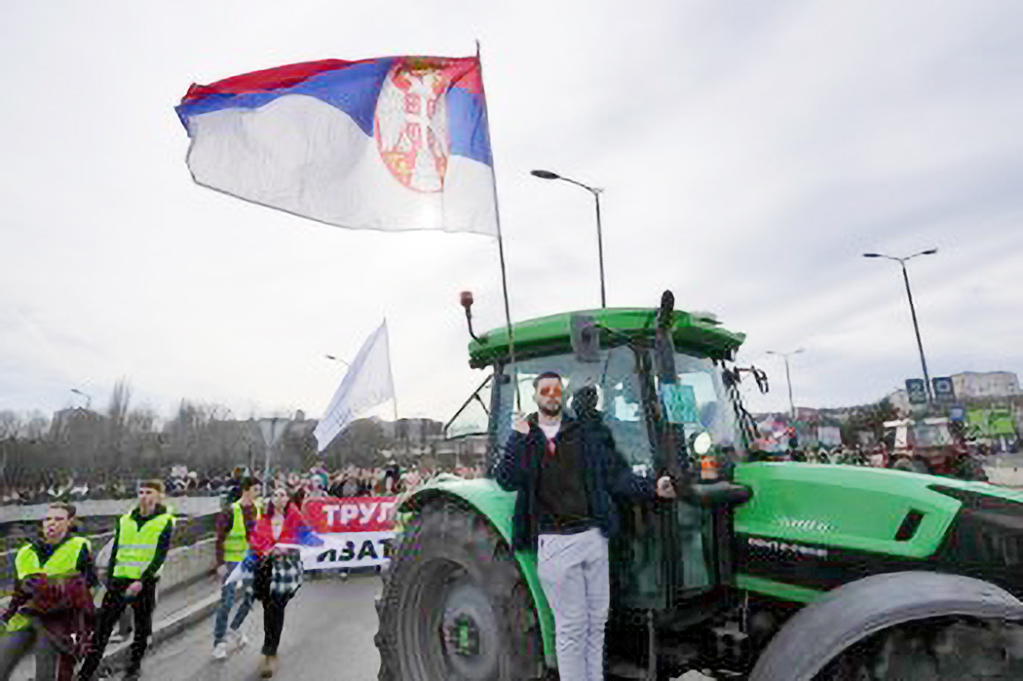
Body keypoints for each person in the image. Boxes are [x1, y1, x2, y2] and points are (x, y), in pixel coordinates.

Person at [495, 373, 676, 681]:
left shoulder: (583, 434)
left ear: (562, 395)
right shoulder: (528, 437)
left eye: (556, 390)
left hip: (593, 538)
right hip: (555, 542)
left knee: (596, 623)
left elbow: (614, 476)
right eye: (545, 390)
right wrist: (517, 435)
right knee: (571, 627)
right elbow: (506, 479)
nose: (551, 395)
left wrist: (653, 488)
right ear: (536, 396)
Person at [78, 481, 175, 681]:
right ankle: (86, 673)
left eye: (149, 492)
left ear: (159, 496)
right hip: (119, 580)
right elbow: (116, 551)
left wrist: (142, 580)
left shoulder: (166, 521)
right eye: (141, 492)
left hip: (145, 582)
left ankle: (134, 668)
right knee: (102, 629)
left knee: (142, 627)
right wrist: (110, 578)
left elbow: (160, 555)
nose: (144, 496)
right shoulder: (124, 520)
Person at [0, 502, 96, 681]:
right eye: (48, 519)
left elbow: (90, 585)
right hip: (26, 616)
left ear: (69, 523)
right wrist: (6, 616)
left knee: (46, 673)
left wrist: (84, 624)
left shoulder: (79, 546)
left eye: (59, 519)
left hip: (57, 620)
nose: (52, 523)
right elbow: (19, 590)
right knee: (3, 662)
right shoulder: (25, 552)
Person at [248, 487, 308, 678]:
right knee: (269, 610)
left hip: (286, 571)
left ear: (288, 499)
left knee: (277, 608)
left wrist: (286, 549)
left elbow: (305, 537)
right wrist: (269, 549)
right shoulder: (264, 520)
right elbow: (255, 540)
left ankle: (270, 651)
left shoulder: (295, 518)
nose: (278, 497)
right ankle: (269, 649)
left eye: (282, 494)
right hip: (267, 570)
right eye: (275, 494)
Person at [211, 477, 260, 659]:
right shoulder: (231, 511)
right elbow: (220, 539)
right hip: (231, 562)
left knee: (250, 597)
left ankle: (235, 628)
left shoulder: (256, 509)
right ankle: (219, 642)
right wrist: (220, 563)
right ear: (246, 491)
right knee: (227, 602)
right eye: (256, 489)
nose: (258, 493)